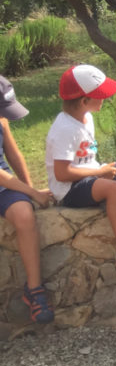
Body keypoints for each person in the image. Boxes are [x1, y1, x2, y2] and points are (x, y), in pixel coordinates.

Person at [45, 65, 116, 277]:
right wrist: (98, 174)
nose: (105, 99)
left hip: (92, 175)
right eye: (100, 96)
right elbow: (62, 173)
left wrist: (100, 173)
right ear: (84, 101)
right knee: (115, 190)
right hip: (69, 188)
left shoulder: (87, 118)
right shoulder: (65, 129)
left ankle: (113, 198)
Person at [0, 74, 55, 323]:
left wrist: (29, 190)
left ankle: (34, 290)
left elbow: (12, 152)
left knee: (24, 215)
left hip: (5, 185)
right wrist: (32, 192)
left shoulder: (1, 118)